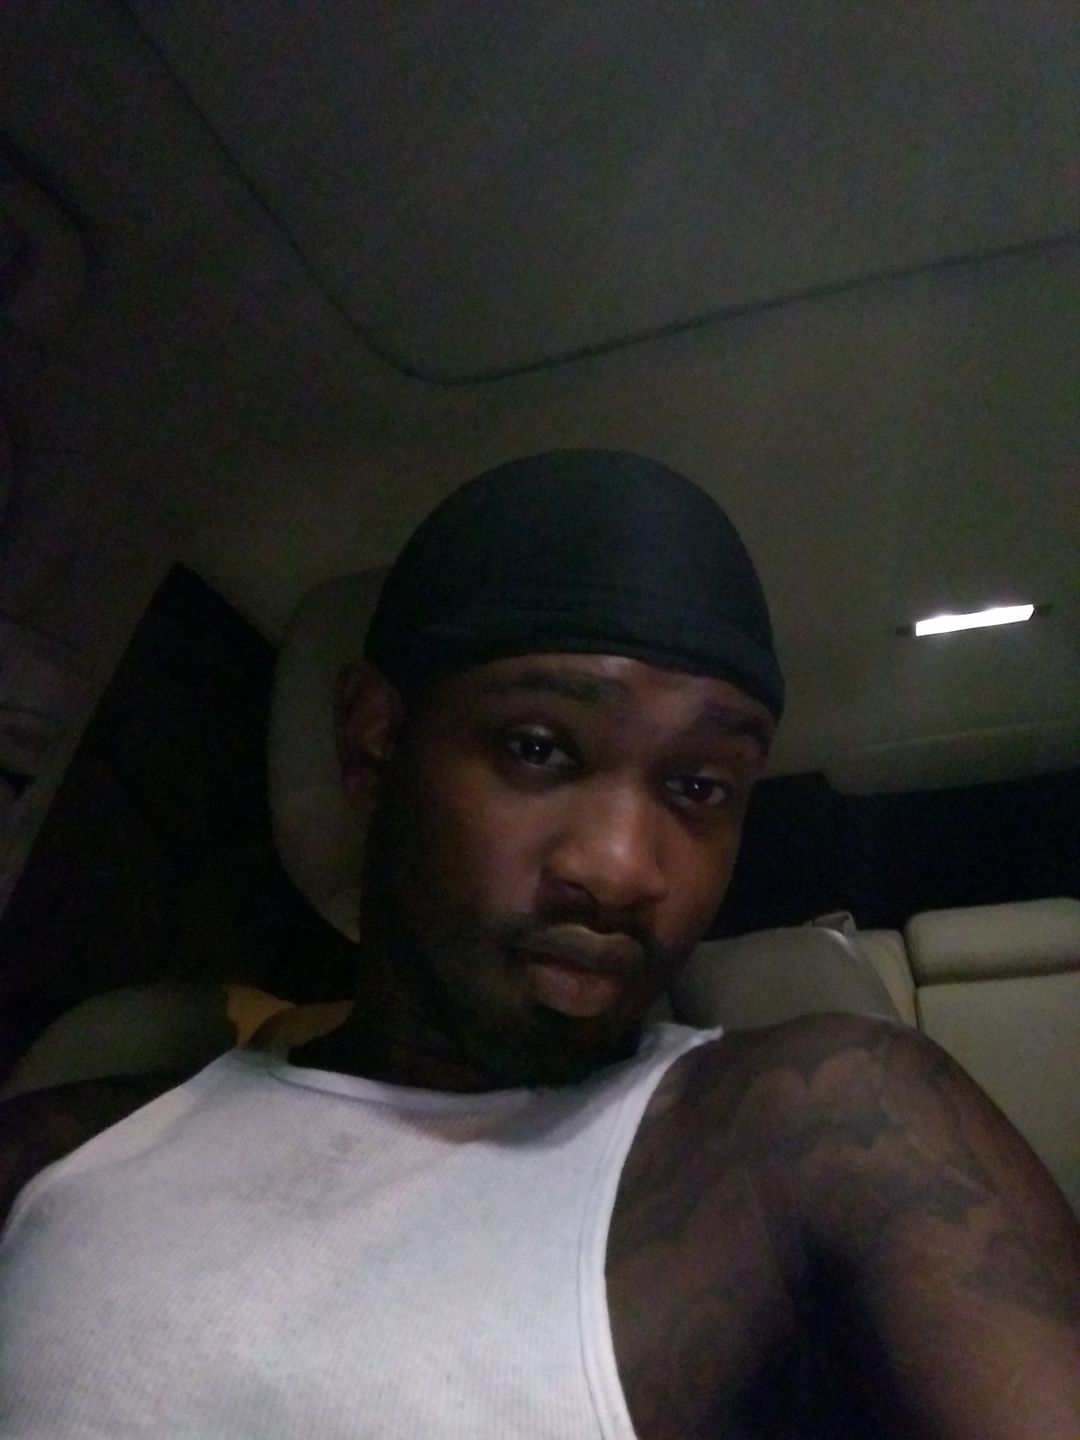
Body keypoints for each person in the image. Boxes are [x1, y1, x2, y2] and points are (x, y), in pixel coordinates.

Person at [0, 450, 1077, 1438]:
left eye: (699, 787)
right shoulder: (63, 1152)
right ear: (374, 742)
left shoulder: (821, 1130)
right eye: (537, 748)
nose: (621, 867)